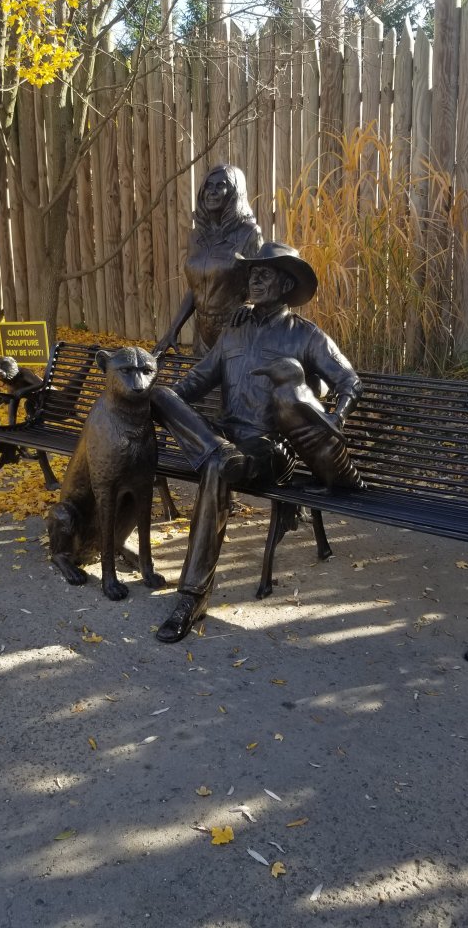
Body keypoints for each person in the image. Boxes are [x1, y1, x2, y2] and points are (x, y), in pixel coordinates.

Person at [150, 241, 363, 643]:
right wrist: (155, 399)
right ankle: (216, 450)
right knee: (157, 396)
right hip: (222, 437)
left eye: (265, 272)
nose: (255, 278)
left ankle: (192, 597)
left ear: (286, 284)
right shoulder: (234, 331)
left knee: (215, 465)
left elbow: (349, 381)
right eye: (252, 272)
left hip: (268, 449)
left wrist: (334, 417)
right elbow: (194, 383)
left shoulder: (306, 336)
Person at [154, 163, 262, 356]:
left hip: (235, 331)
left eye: (220, 185)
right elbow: (196, 289)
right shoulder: (196, 236)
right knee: (200, 385)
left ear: (235, 192)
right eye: (208, 186)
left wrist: (251, 303)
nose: (211, 192)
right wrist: (173, 330)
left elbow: (262, 280)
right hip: (203, 333)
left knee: (234, 385)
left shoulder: (248, 233)